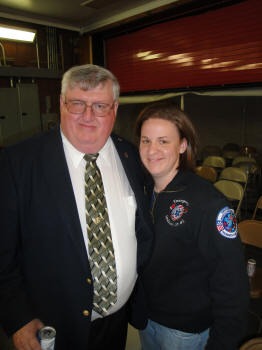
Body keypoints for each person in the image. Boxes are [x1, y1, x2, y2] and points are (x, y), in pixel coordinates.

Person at [0, 64, 153, 350]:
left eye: (100, 106)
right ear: (61, 103)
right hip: (53, 325)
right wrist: (18, 317)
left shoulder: (131, 155)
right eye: (77, 104)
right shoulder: (18, 163)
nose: (88, 116)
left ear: (114, 109)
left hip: (117, 320)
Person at [135, 100, 250, 350]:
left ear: (183, 145)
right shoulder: (141, 192)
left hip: (183, 332)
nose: (152, 149)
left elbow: (232, 283)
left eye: (163, 141)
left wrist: (222, 343)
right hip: (146, 321)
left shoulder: (208, 202)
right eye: (146, 140)